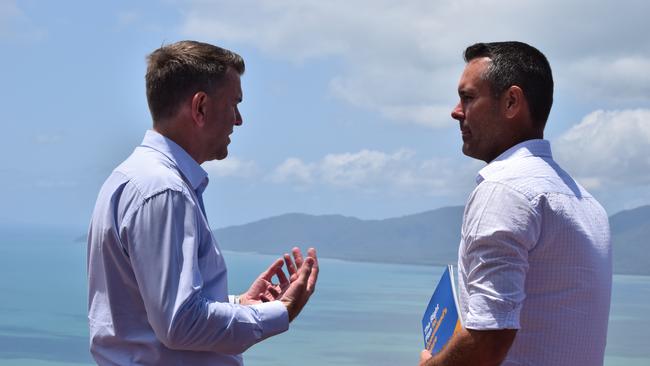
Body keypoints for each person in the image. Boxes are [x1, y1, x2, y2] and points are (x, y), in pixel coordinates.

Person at [87, 40, 319, 366]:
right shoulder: (165, 190)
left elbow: (154, 311)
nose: (238, 120)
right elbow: (179, 324)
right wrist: (276, 313)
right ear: (200, 107)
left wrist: (241, 305)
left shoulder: (134, 178)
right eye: (234, 104)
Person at [419, 42, 612, 365]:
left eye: (468, 97)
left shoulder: (504, 188)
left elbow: (489, 340)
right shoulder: (588, 205)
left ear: (511, 102)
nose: (455, 111)